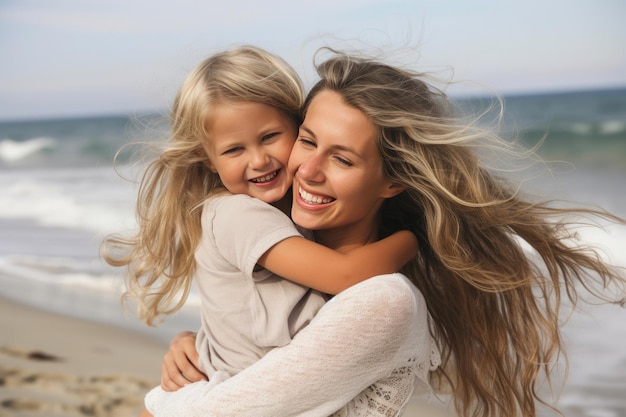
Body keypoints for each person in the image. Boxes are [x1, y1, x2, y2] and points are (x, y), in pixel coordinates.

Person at [144, 48, 626, 417]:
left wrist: (165, 400)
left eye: (342, 157)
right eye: (309, 141)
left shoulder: (383, 299)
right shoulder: (265, 231)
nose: (306, 169)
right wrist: (193, 343)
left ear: (394, 179)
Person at [101, 45, 419, 416]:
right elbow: (343, 274)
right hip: (227, 394)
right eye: (234, 149)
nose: (258, 160)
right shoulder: (239, 214)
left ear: (295, 126)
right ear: (209, 160)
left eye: (270, 137)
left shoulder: (285, 215)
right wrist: (412, 240)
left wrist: (191, 340)